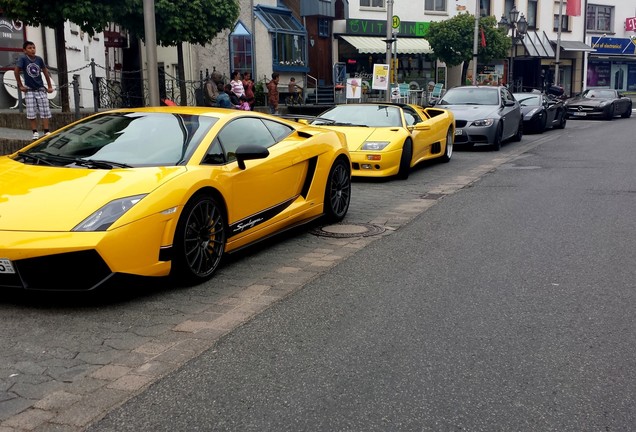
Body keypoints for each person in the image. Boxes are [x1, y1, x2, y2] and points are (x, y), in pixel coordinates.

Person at [14, 41, 54, 140]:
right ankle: (35, 132)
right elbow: (16, 71)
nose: (32, 50)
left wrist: (49, 86)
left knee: (45, 110)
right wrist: (21, 85)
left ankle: (46, 130)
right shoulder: (23, 59)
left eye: (34, 48)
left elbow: (45, 72)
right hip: (30, 90)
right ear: (24, 50)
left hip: (40, 89)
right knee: (31, 111)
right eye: (30, 48)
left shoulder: (39, 59)